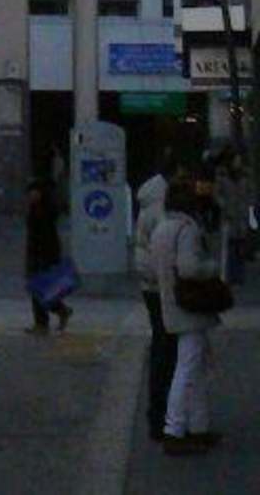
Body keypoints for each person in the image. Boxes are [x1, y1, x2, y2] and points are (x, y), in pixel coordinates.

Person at [152, 175, 222, 456]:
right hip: (190, 305)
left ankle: (197, 425)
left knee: (195, 365)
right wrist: (212, 267)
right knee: (189, 366)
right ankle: (176, 429)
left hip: (172, 302)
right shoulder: (187, 229)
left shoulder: (162, 227)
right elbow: (190, 268)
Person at [135, 162, 177, 443]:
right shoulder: (162, 209)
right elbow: (166, 252)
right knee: (166, 350)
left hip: (149, 285)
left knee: (162, 345)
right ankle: (161, 416)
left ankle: (159, 416)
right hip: (160, 286)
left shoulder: (150, 202)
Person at [25, 175, 71, 333]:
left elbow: (46, 234)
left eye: (33, 192)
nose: (31, 195)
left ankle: (48, 318)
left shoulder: (45, 210)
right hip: (36, 252)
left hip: (45, 253)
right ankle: (51, 316)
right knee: (38, 288)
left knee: (41, 288)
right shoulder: (35, 208)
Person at [214, 151, 249, 287]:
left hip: (241, 216)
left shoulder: (244, 176)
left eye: (239, 161)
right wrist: (224, 205)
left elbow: (249, 195)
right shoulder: (223, 176)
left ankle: (239, 276)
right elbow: (217, 194)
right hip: (228, 216)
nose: (238, 163)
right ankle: (228, 275)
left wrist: (249, 212)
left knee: (240, 246)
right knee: (229, 247)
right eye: (236, 160)